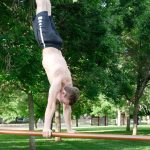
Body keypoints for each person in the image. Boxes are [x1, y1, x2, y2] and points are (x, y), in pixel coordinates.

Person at [32, 0, 80, 138]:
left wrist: (69, 129)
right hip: (46, 41)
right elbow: (51, 105)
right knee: (41, 5)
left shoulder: (69, 85)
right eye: (62, 99)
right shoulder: (58, 81)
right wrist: (46, 127)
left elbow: (67, 108)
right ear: (64, 92)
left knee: (47, 8)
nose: (60, 101)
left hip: (57, 43)